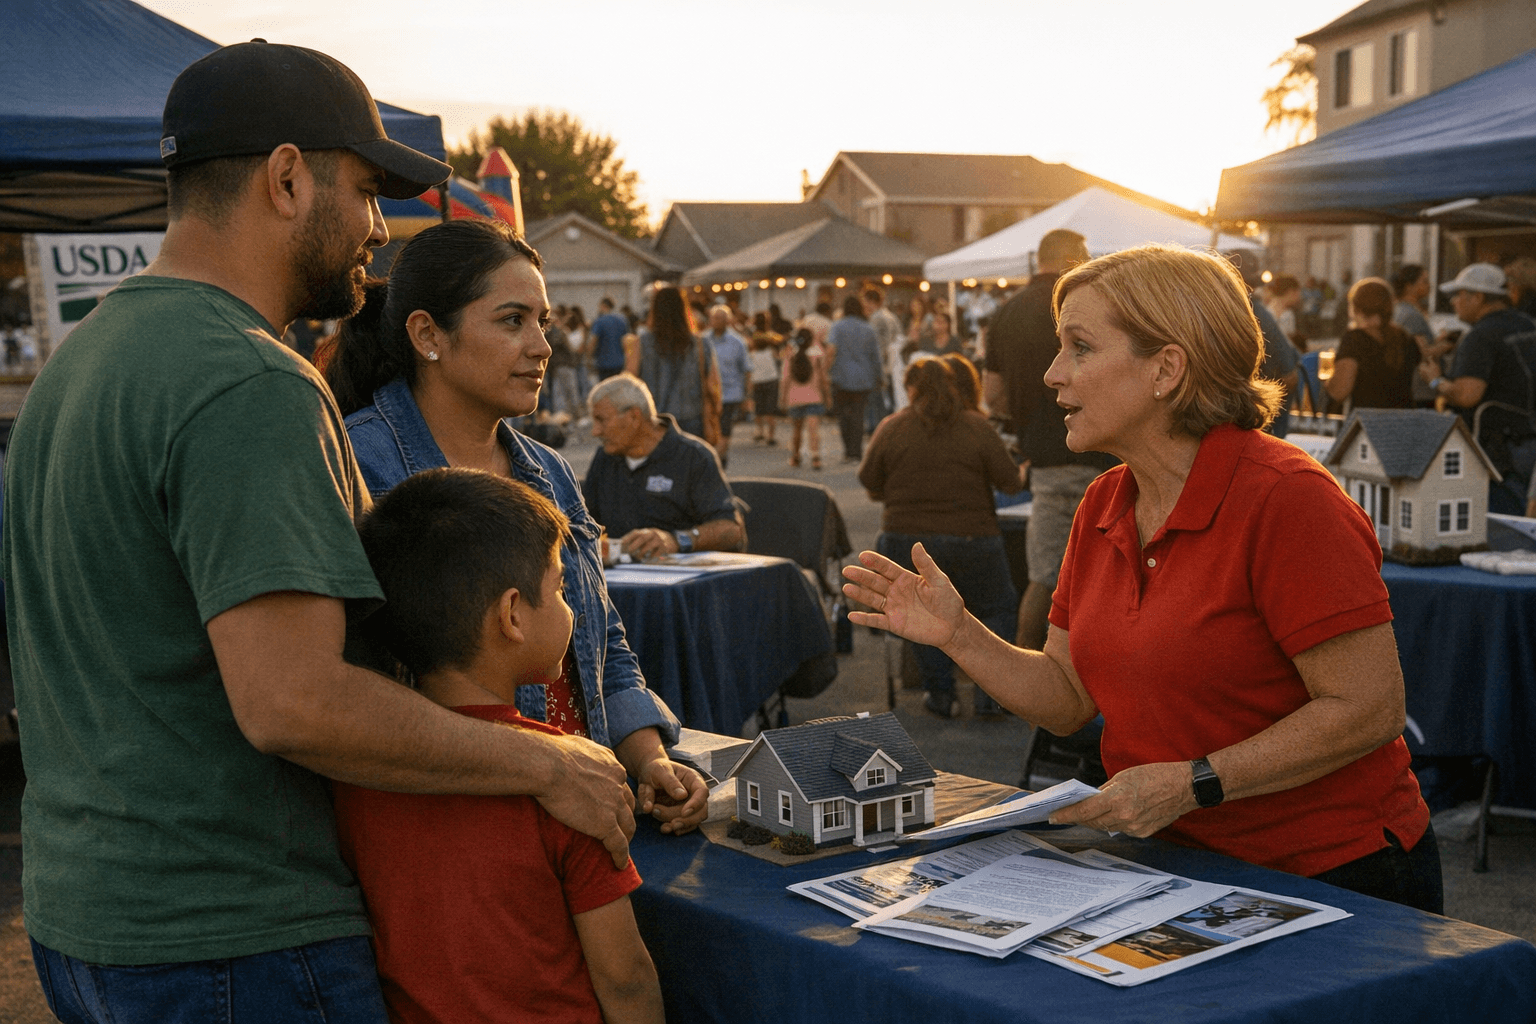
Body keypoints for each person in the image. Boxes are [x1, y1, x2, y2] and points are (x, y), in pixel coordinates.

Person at [0, 41, 647, 1024]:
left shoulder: (84, 360)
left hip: (89, 918)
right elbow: (292, 701)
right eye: (367, 189)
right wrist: (550, 761)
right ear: (289, 177)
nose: (380, 228)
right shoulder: (247, 379)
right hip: (234, 937)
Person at [844, 244, 1439, 913]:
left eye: (1079, 347)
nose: (1051, 373)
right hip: (1174, 865)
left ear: (1167, 369)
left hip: (1334, 878)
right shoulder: (1104, 501)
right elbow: (1068, 695)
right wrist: (958, 634)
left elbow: (1368, 707)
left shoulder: (1288, 499)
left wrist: (1194, 783)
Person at [325, 218, 707, 826]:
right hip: (455, 825)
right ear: (428, 334)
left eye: (543, 321)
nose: (542, 345)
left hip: (585, 801)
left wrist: (648, 757)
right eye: (512, 320)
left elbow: (602, 641)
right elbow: (353, 685)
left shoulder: (549, 471)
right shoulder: (358, 466)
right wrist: (537, 765)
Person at [335, 469, 663, 1024]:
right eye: (560, 589)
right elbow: (625, 978)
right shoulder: (568, 778)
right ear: (512, 614)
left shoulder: (355, 767)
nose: (571, 610)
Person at [859, 356, 1024, 718]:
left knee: (921, 614)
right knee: (994, 608)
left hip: (907, 540)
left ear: (911, 389)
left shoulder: (892, 427)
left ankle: (941, 695)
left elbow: (869, 479)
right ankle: (992, 696)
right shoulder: (977, 427)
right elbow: (1010, 482)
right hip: (973, 538)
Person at [983, 228, 1113, 654]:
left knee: (1045, 575)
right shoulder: (1092, 306)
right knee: (1108, 576)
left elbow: (992, 395)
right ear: (1078, 259)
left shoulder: (1005, 313)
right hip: (1105, 457)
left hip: (1046, 461)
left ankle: (1027, 672)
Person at [582, 374, 745, 558]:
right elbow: (584, 522)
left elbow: (731, 529)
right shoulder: (605, 457)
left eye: (601, 420)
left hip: (679, 581)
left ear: (634, 416)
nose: (595, 432)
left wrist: (676, 541)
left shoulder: (693, 456)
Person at [1427, 262, 1536, 514]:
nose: (1454, 302)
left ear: (1478, 297)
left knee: (1503, 525)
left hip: (1500, 453)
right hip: (1529, 440)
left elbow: (1467, 395)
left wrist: (1436, 380)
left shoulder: (1480, 336)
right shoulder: (1529, 324)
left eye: (1459, 295)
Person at [631, 285, 722, 446]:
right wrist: (716, 410)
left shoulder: (641, 343)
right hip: (693, 420)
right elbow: (713, 384)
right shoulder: (701, 344)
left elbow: (629, 381)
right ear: (683, 309)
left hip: (652, 422)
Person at [1325, 277, 1423, 411]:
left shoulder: (1355, 339)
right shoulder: (1405, 337)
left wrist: (1327, 381)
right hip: (1404, 422)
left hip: (1370, 424)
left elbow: (1339, 392)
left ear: (1355, 308)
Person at [826, 294, 883, 462]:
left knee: (844, 415)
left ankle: (847, 451)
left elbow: (831, 350)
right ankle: (856, 452)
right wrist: (879, 376)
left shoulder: (837, 327)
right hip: (864, 378)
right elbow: (875, 356)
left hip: (841, 377)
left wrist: (825, 371)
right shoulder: (868, 328)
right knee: (859, 415)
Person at [1391, 265, 1446, 408]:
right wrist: (1449, 344)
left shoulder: (1399, 310)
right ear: (1409, 286)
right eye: (1424, 281)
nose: (1429, 285)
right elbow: (1422, 351)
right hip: (1421, 388)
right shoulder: (1411, 315)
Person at [703, 304, 751, 468]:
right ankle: (716, 458)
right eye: (714, 318)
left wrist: (747, 395)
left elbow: (746, 369)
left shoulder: (737, 342)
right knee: (709, 428)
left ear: (727, 321)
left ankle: (716, 461)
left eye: (720, 318)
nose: (716, 321)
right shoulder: (703, 340)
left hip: (730, 393)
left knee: (724, 429)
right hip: (708, 393)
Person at [780, 327, 830, 470]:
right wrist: (827, 396)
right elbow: (823, 378)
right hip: (814, 397)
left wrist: (783, 398)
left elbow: (785, 379)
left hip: (795, 398)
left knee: (797, 430)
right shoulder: (817, 355)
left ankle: (795, 456)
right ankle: (816, 458)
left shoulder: (790, 355)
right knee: (813, 428)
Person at [863, 286, 903, 424]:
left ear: (870, 301)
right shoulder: (891, 316)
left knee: (880, 404)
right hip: (893, 364)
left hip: (881, 366)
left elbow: (877, 345)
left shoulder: (877, 318)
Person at [749, 313, 784, 446]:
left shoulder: (752, 352)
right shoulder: (771, 348)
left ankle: (759, 431)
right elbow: (780, 351)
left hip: (757, 381)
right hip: (771, 380)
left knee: (758, 408)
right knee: (770, 409)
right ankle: (771, 435)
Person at [590, 297, 630, 380]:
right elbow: (627, 341)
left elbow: (593, 341)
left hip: (603, 363)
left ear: (603, 306)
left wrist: (589, 357)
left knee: (605, 390)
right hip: (619, 363)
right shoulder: (622, 320)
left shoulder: (599, 321)